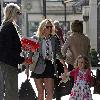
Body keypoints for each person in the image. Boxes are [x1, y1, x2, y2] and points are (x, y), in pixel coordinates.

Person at [30, 19, 67, 100]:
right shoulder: (36, 38)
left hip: (50, 66)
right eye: (47, 27)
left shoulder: (54, 38)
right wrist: (27, 68)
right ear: (43, 27)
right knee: (40, 92)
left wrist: (64, 66)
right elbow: (30, 55)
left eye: (51, 27)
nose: (50, 28)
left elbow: (59, 53)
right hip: (37, 66)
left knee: (50, 93)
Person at [0, 3, 25, 100]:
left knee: (9, 90)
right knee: (11, 92)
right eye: (18, 13)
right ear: (12, 13)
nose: (19, 15)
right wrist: (22, 60)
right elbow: (8, 49)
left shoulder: (6, 26)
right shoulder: (9, 27)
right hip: (8, 64)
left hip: (7, 63)